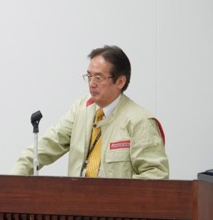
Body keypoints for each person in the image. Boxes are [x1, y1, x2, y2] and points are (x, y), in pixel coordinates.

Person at [11, 45, 169, 179]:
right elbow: (48, 145)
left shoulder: (139, 121)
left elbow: (155, 176)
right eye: (89, 76)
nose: (92, 84)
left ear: (120, 81)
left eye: (98, 78)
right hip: (76, 209)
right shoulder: (81, 108)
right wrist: (15, 176)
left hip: (116, 212)